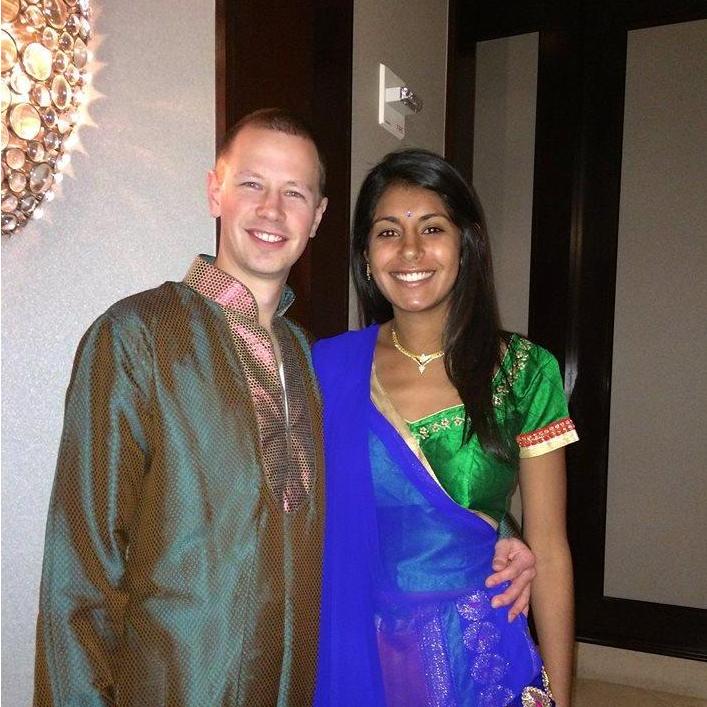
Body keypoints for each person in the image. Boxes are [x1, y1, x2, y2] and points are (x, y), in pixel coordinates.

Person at [33, 110, 537, 706]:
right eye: (252, 184)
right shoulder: (138, 337)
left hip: (297, 681)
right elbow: (80, 573)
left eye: (294, 193)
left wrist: (495, 532)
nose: (271, 210)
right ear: (215, 190)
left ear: (317, 216)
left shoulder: (311, 360)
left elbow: (376, 481)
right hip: (178, 684)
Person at [313, 149, 578, 706]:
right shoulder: (328, 368)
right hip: (359, 649)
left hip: (479, 652)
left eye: (432, 228)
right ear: (366, 257)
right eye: (388, 232)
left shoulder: (525, 372)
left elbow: (550, 548)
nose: (410, 250)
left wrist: (561, 695)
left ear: (466, 244)